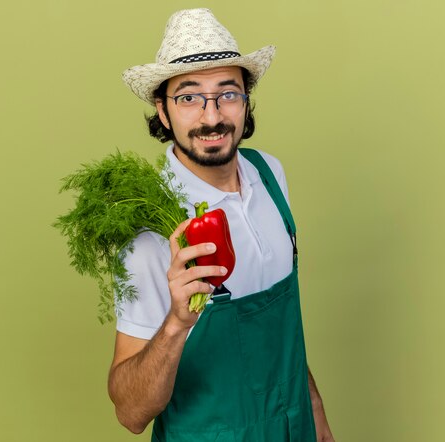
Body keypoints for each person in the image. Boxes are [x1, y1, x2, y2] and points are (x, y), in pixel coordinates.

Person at [108, 8, 335, 441]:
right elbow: (131, 414)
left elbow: (281, 335)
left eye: (227, 94)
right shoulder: (151, 229)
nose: (212, 117)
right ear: (162, 109)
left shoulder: (269, 174)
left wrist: (317, 414)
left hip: (294, 428)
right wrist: (176, 320)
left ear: (246, 100)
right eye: (189, 97)